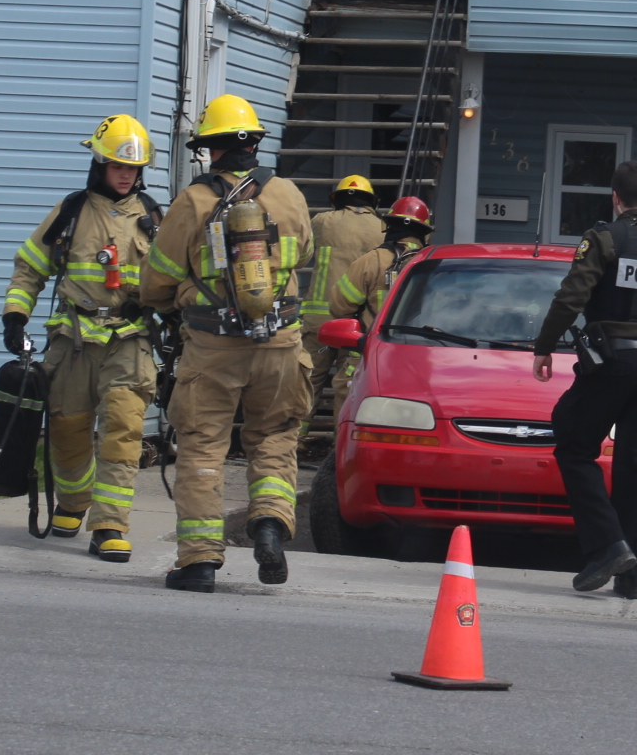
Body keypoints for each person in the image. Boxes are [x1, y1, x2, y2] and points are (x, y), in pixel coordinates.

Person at [141, 93, 314, 593]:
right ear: (253, 144)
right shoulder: (288, 194)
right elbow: (303, 253)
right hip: (280, 342)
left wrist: (172, 302)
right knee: (275, 436)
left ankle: (198, 562)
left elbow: (158, 279)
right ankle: (269, 521)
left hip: (213, 347)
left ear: (210, 148)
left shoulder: (193, 201)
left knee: (202, 446)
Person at [2, 114, 161, 564]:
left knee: (122, 432)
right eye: (117, 165)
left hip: (129, 339)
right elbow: (30, 268)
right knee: (67, 428)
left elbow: (172, 279)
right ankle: (73, 502)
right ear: (100, 164)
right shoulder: (71, 212)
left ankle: (110, 525)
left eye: (133, 167)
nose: (126, 175)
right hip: (73, 338)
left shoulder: (153, 218)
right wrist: (15, 316)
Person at [532, 161, 637, 600]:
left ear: (616, 198)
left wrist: (544, 346)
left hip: (612, 361)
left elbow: (572, 296)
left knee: (572, 440)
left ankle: (607, 546)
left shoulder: (604, 238)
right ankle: (635, 577)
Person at [324, 195, 433, 412]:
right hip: (420, 361)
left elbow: (339, 306)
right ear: (424, 232)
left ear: (389, 226)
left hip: (369, 357)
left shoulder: (371, 261)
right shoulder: (433, 266)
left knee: (351, 408)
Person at [301, 175, 384, 433]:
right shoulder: (382, 229)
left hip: (319, 321)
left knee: (308, 379)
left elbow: (303, 252)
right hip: (357, 324)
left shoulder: (322, 221)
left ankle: (294, 439)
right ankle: (341, 444)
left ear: (337, 199)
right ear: (371, 201)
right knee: (348, 385)